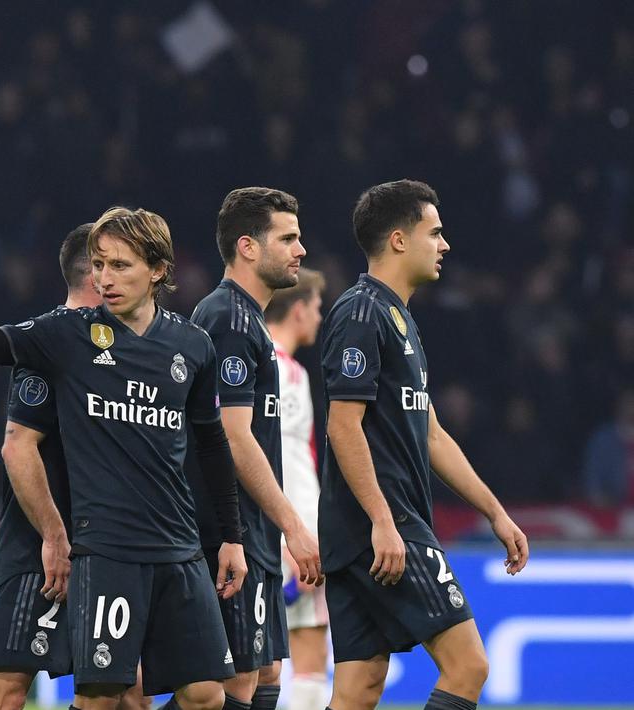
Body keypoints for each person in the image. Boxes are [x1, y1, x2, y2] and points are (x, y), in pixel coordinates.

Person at [0, 206, 246, 710]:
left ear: (158, 269)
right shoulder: (69, 335)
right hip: (107, 551)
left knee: (208, 696)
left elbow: (212, 444)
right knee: (100, 697)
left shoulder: (193, 345)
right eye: (99, 265)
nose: (105, 278)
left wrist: (231, 537)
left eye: (120, 266)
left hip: (178, 548)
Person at [319, 179, 529, 710]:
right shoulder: (361, 312)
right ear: (398, 239)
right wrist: (383, 521)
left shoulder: (400, 321)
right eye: (434, 232)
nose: (445, 244)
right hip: (384, 525)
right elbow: (342, 426)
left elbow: (432, 434)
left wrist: (495, 513)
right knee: (470, 666)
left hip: (364, 527)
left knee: (358, 688)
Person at [0, 224, 148, 710]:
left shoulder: (110, 347)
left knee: (126, 691)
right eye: (112, 262)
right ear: (95, 273)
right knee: (5, 688)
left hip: (103, 547)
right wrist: (52, 534)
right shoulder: (49, 344)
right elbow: (17, 448)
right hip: (44, 551)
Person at [189, 187, 321, 710]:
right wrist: (293, 524)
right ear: (247, 246)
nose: (300, 250)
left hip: (255, 534)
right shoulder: (227, 320)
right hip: (232, 535)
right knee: (235, 684)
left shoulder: (251, 325)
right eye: (287, 238)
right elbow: (233, 437)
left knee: (265, 673)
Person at [264, 269, 330, 710]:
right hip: (292, 533)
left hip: (289, 529)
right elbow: (273, 460)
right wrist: (293, 534)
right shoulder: (278, 372)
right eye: (319, 307)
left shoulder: (288, 371)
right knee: (305, 651)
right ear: (300, 308)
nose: (321, 317)